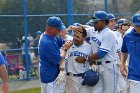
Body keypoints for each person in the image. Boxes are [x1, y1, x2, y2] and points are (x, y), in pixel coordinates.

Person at [75, 11, 119, 93]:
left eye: (96, 22)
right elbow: (81, 32)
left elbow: (101, 53)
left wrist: (85, 59)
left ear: (104, 22)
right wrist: (78, 29)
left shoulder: (109, 34)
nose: (94, 24)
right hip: (98, 66)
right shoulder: (93, 30)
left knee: (109, 91)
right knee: (96, 91)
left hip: (109, 66)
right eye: (93, 22)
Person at [39, 16, 72, 93]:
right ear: (52, 29)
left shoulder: (52, 36)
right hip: (50, 75)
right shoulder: (47, 42)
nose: (60, 31)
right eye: (58, 29)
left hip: (49, 72)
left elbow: (63, 42)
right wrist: (65, 49)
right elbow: (59, 60)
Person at [65, 26, 92, 93]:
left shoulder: (89, 47)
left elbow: (92, 60)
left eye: (78, 37)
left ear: (84, 38)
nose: (75, 38)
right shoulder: (68, 45)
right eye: (74, 35)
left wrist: (86, 59)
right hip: (71, 78)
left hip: (84, 78)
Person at [120, 13, 140, 93]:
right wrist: (122, 64)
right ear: (132, 24)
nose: (139, 28)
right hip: (134, 75)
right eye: (137, 26)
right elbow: (124, 51)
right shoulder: (127, 36)